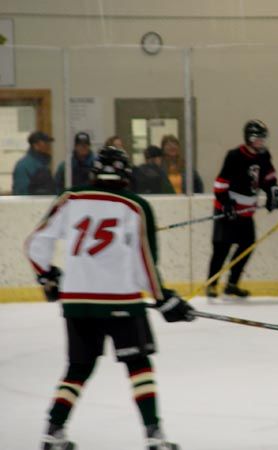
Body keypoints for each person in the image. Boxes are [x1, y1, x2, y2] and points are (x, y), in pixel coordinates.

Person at [25, 146, 196, 450]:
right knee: (138, 365)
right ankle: (155, 437)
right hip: (121, 301)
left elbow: (35, 244)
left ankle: (53, 433)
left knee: (77, 368)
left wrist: (47, 275)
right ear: (124, 173)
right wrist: (163, 298)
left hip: (76, 302)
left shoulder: (70, 198)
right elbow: (144, 262)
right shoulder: (135, 205)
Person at [206, 120, 278, 298]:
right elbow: (220, 183)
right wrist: (226, 203)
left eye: (263, 138)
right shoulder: (234, 156)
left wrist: (273, 193)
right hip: (228, 209)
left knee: (247, 246)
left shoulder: (264, 156)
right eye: (258, 138)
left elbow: (268, 179)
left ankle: (232, 284)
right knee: (221, 248)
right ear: (249, 138)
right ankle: (211, 284)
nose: (262, 142)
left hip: (246, 212)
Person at [12, 131, 56, 195]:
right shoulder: (23, 165)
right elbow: (21, 192)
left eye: (48, 143)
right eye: (45, 143)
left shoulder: (43, 163)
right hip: (31, 204)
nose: (48, 145)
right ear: (35, 145)